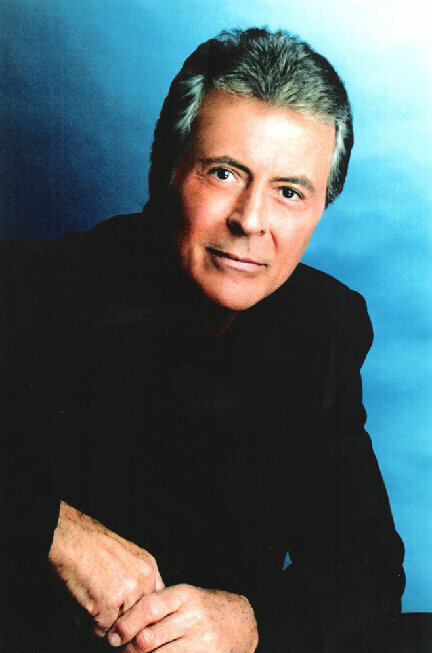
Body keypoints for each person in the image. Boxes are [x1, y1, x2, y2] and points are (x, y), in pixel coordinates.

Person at [2, 28, 405, 652]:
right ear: (164, 169)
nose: (251, 219)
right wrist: (50, 530)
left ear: (321, 207)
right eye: (223, 173)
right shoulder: (27, 290)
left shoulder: (323, 325)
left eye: (289, 192)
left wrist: (251, 623)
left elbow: (367, 567)